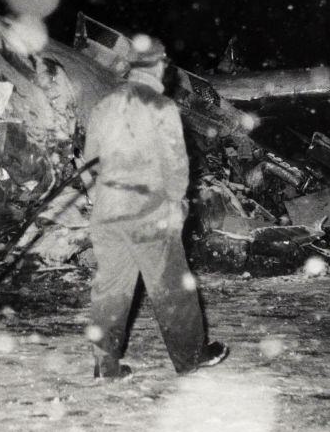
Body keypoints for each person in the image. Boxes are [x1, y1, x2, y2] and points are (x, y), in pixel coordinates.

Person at [81, 37, 228, 378]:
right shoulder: (161, 107)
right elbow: (176, 165)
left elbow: (90, 163)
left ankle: (106, 365)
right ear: (159, 66)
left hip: (107, 213)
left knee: (111, 290)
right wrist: (176, 204)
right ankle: (191, 357)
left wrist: (101, 199)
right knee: (172, 288)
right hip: (148, 214)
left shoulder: (104, 106)